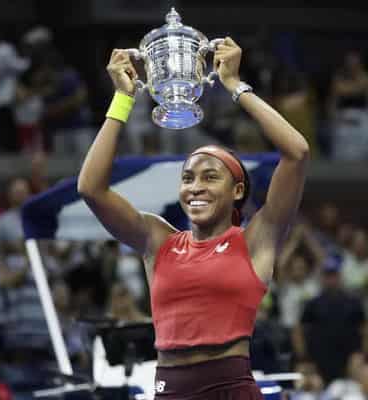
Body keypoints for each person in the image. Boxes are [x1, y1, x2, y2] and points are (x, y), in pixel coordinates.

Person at [78, 37, 309, 399]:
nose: (195, 187)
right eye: (188, 178)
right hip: (169, 389)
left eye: (210, 176)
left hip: (232, 388)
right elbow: (91, 188)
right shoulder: (158, 239)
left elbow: (296, 152)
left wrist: (234, 85)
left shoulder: (255, 240)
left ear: (236, 190)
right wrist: (123, 98)